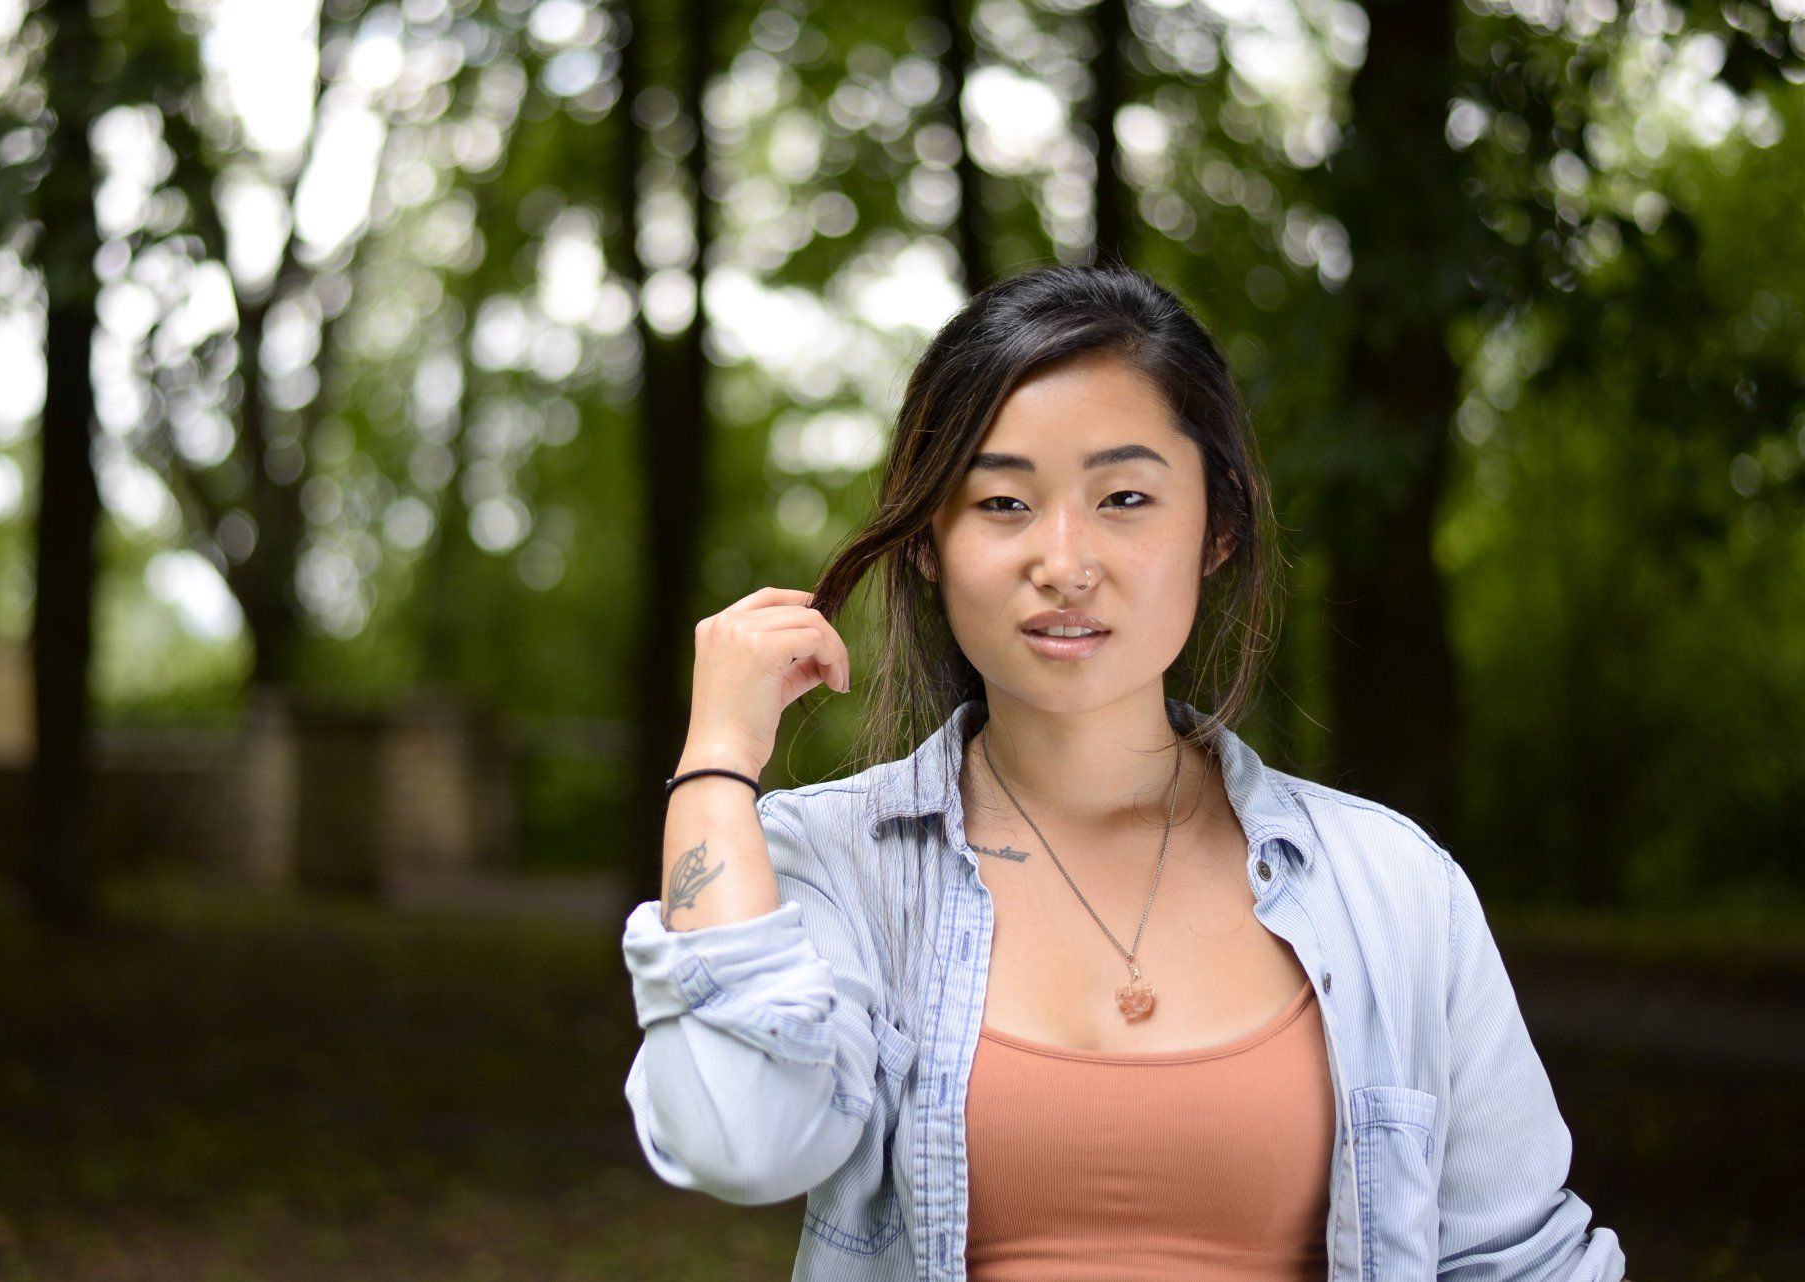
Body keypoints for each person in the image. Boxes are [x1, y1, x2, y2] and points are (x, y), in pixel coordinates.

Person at [621, 263, 1630, 1281]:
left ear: (1218, 527)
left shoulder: (1394, 887)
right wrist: (716, 758)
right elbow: (738, 1138)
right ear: (930, 540)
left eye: (1126, 497)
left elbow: (1522, 1260)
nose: (1064, 559)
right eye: (1005, 501)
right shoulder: (832, 866)